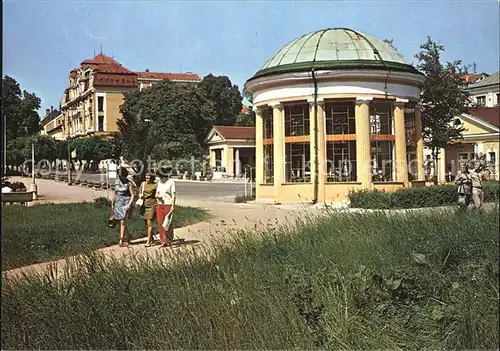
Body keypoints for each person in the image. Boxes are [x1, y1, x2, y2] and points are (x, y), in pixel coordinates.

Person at [112, 165, 136, 246]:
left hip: (126, 202)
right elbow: (115, 193)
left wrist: (129, 204)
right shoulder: (117, 182)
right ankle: (127, 236)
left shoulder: (129, 184)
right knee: (120, 221)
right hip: (118, 203)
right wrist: (113, 203)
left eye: (121, 175)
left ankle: (121, 240)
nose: (120, 177)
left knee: (122, 221)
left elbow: (133, 195)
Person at [155, 167, 176, 247]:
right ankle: (163, 240)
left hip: (168, 203)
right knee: (160, 222)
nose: (160, 178)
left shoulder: (171, 182)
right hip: (159, 204)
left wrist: (173, 206)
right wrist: (157, 196)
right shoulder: (159, 183)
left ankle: (169, 237)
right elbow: (157, 193)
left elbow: (173, 194)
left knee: (167, 222)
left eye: (161, 177)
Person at [138, 172, 158, 247]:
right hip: (143, 204)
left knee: (149, 223)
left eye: (149, 177)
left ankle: (148, 241)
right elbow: (139, 192)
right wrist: (140, 195)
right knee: (146, 224)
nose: (147, 179)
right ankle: (152, 237)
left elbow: (157, 194)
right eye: (146, 177)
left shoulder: (155, 185)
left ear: (152, 178)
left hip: (152, 205)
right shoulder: (143, 184)